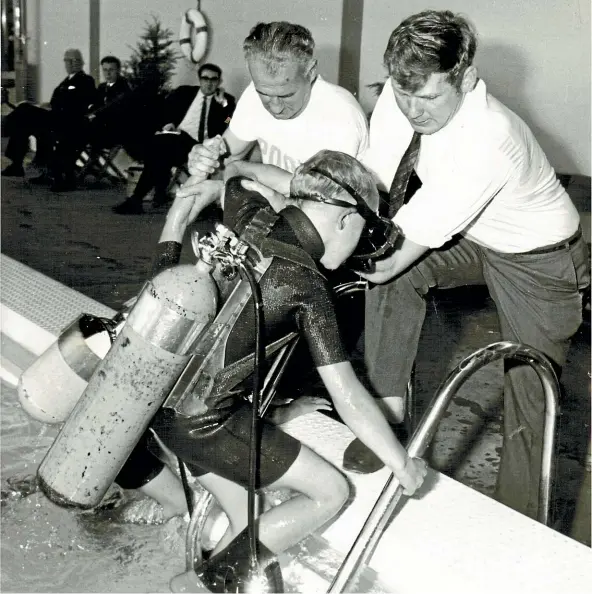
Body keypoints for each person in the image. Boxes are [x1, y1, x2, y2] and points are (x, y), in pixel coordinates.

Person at [113, 150, 427, 591]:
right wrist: (402, 465)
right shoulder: (308, 287)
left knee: (248, 521)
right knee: (330, 492)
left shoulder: (247, 211)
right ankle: (197, 586)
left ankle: (233, 572)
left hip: (160, 404)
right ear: (344, 221)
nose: (360, 244)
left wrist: (287, 195)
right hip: (205, 424)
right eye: (364, 228)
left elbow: (236, 176)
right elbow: (349, 397)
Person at [356, 10, 590, 521]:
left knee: (530, 395)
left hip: (541, 262)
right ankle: (387, 409)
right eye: (404, 93)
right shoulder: (404, 98)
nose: (414, 109)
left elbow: (392, 255)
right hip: (477, 236)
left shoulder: (490, 136)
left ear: (466, 77)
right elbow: (373, 189)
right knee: (398, 277)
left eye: (430, 97)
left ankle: (520, 523)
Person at [186, 21, 369, 183]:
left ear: (311, 71)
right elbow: (227, 160)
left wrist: (251, 174)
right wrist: (203, 159)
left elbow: (325, 209)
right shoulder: (252, 95)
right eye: (263, 93)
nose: (274, 107)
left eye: (286, 95)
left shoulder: (342, 116)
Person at [112, 63, 235, 215]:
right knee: (162, 148)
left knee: (161, 149)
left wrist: (223, 105)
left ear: (219, 82)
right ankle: (148, 196)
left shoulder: (227, 101)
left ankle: (141, 198)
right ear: (199, 79)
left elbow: (228, 122)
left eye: (213, 79)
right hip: (177, 138)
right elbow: (163, 110)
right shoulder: (184, 92)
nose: (209, 83)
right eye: (205, 78)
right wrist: (168, 123)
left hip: (199, 145)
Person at [2, 48, 96, 191]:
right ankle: (17, 164)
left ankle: (5, 127)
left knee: (24, 110)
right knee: (22, 123)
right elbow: (55, 100)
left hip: (65, 121)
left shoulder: (86, 80)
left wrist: (54, 108)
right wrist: (48, 106)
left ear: (80, 62)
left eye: (73, 60)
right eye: (67, 60)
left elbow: (79, 104)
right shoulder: (66, 81)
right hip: (54, 118)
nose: (70, 63)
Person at [85, 55, 132, 148]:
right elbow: (95, 105)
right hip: (100, 127)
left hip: (115, 130)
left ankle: (92, 158)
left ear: (118, 70)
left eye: (111, 70)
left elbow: (114, 110)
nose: (108, 73)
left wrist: (95, 114)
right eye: (105, 70)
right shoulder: (102, 87)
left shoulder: (123, 89)